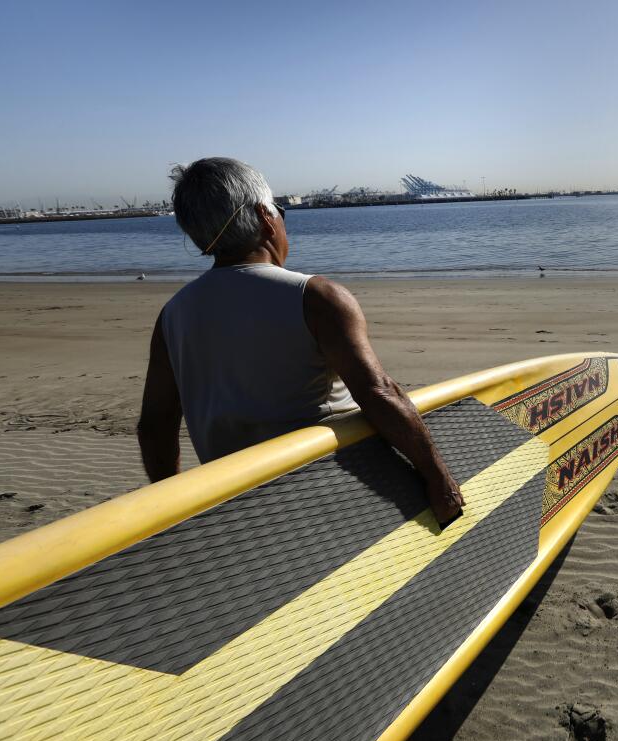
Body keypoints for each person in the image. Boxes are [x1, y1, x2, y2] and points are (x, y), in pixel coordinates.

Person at [136, 157, 464, 525]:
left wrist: (175, 513)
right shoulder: (316, 297)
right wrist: (440, 481)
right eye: (280, 210)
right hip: (331, 496)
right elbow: (379, 393)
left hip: (240, 505)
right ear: (265, 216)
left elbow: (155, 425)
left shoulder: (173, 314)